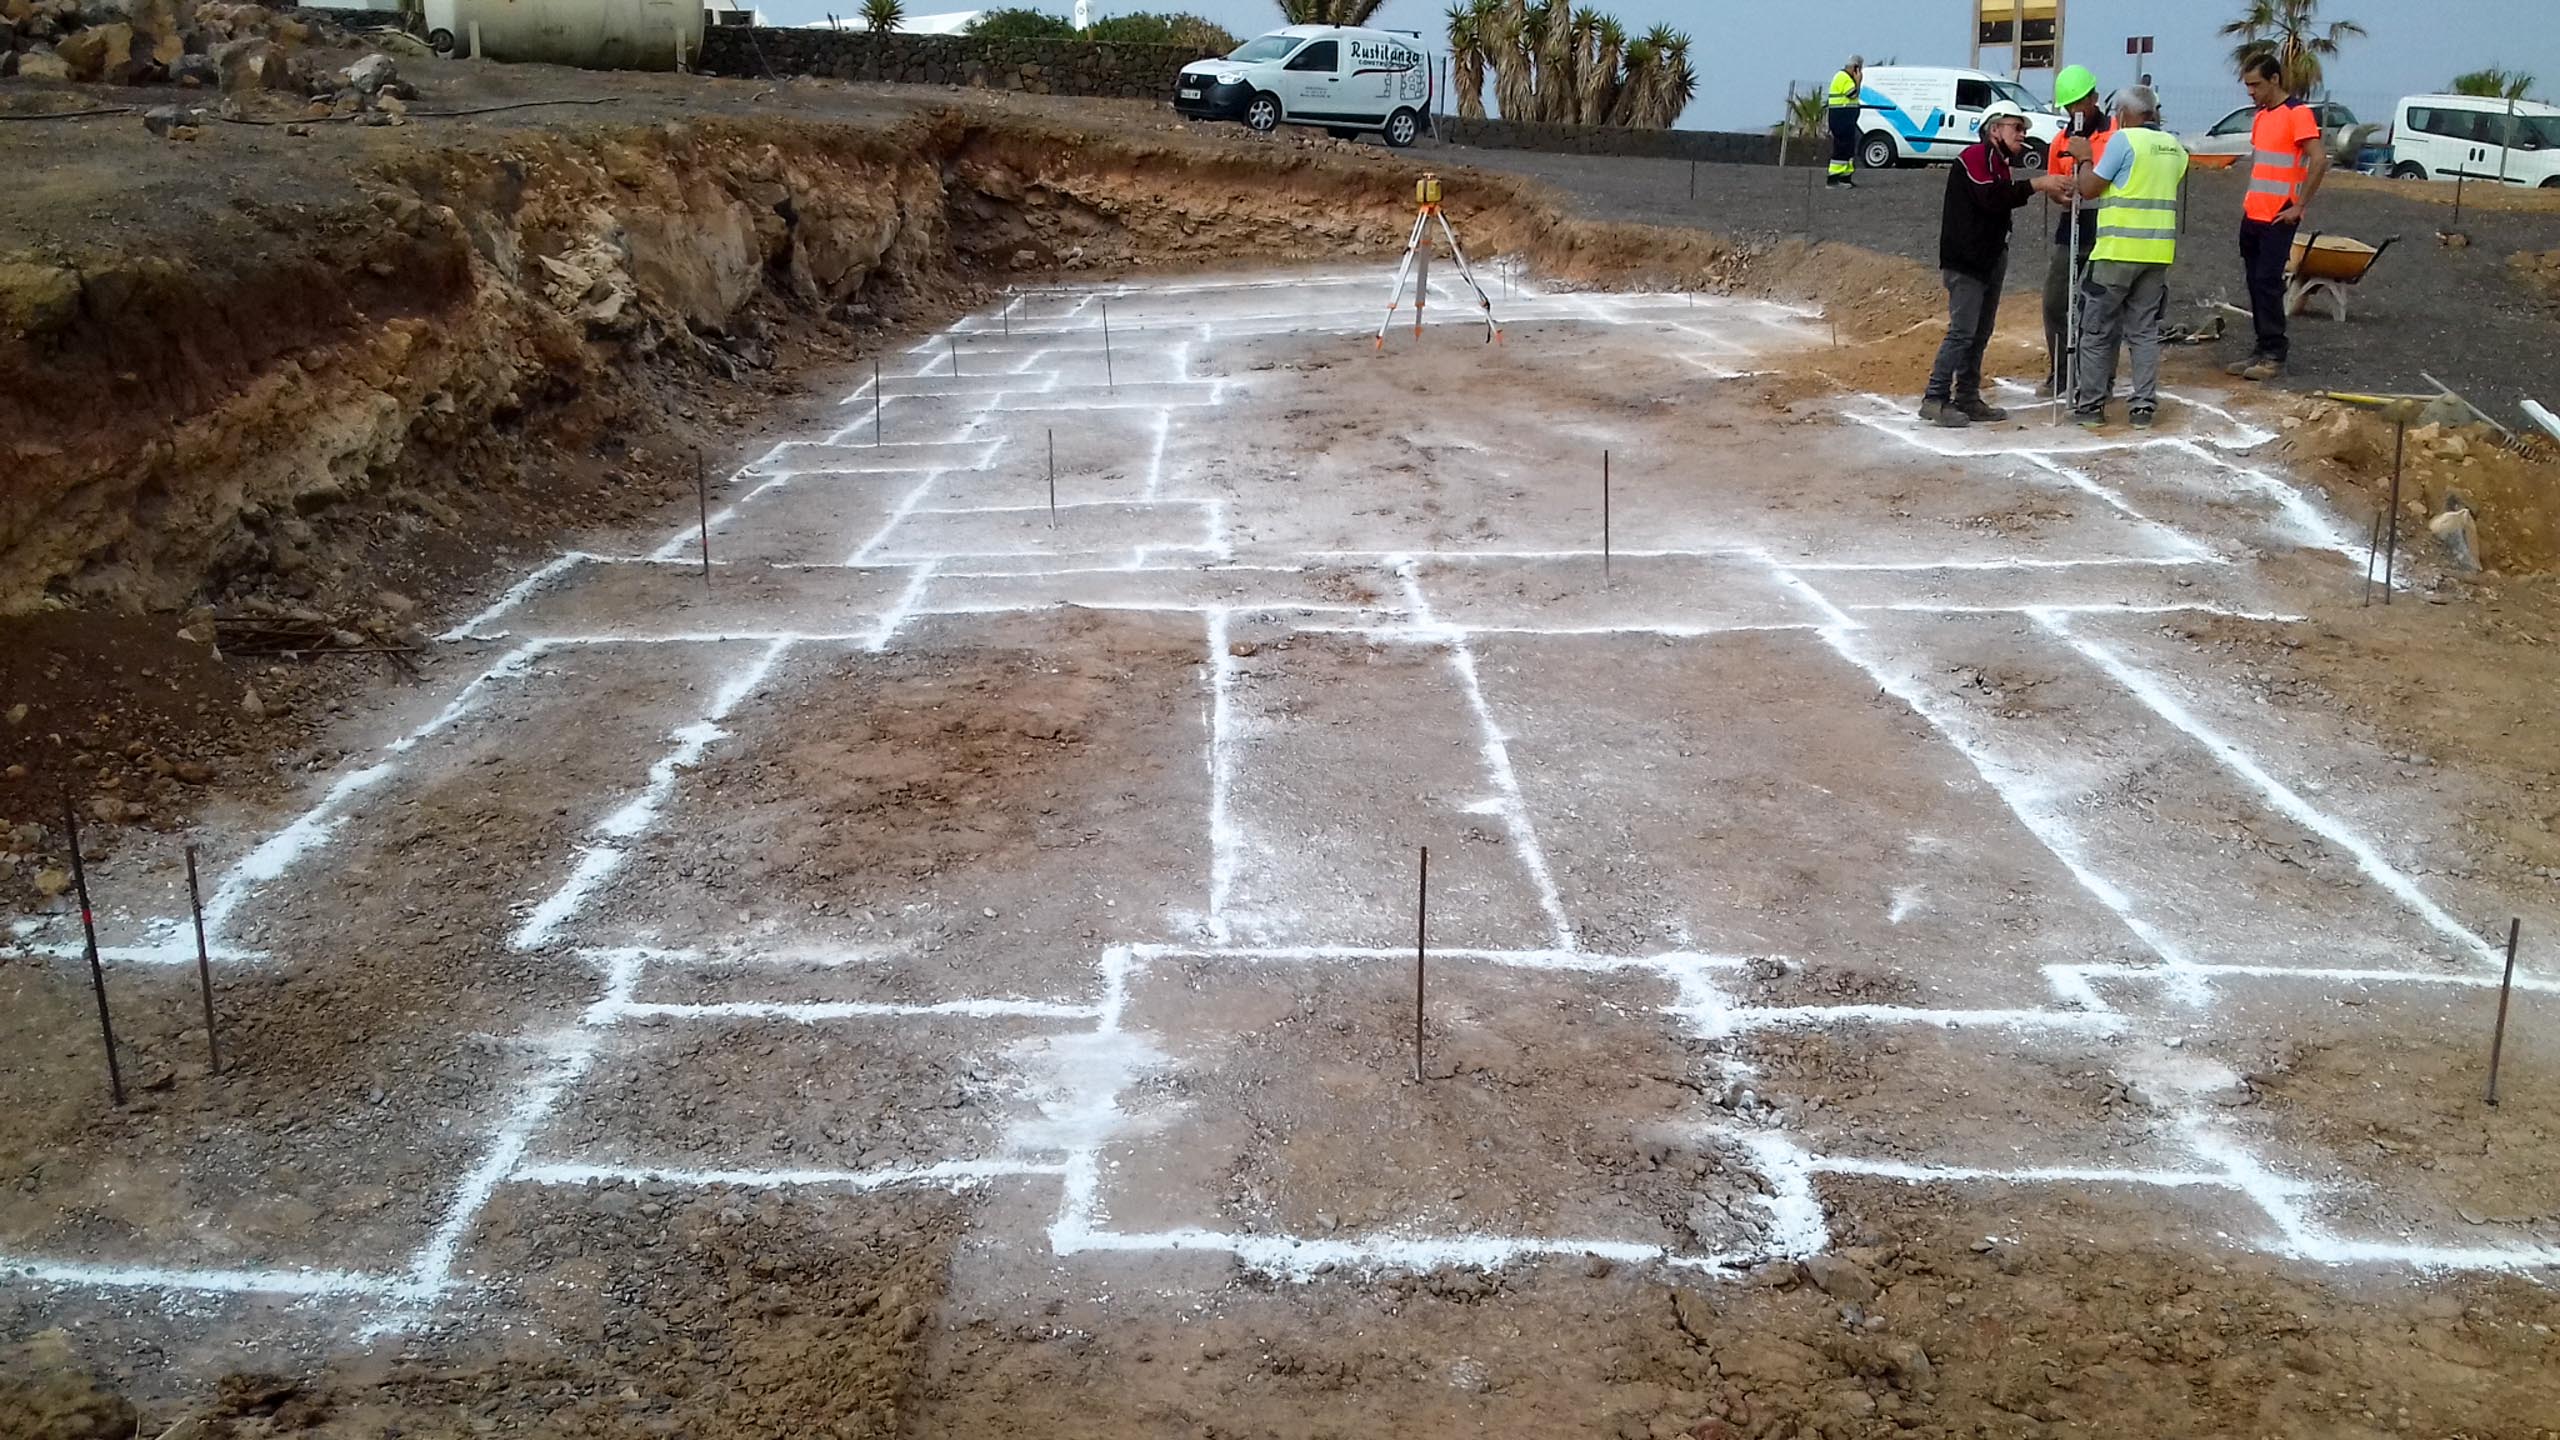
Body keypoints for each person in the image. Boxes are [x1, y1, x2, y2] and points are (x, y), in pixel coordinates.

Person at [1922, 102, 2074, 427]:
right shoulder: (1976, 157)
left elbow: (2000, 196)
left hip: (1988, 259)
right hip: (1967, 261)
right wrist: (2038, 184)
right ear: (1994, 129)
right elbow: (1990, 197)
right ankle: (1935, 397)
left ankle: (1967, 396)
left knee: (1979, 333)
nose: (2022, 134)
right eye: (2016, 127)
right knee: (1963, 332)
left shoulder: (1999, 163)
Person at [2071, 85, 2190, 429]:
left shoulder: (2124, 141)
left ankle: (2091, 406)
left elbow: (2090, 188)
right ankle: (2142, 407)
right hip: (2157, 253)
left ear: (2123, 114)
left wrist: (2084, 158)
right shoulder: (2175, 148)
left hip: (2116, 252)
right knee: (2143, 331)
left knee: (2096, 329)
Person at [2231, 53, 2329, 381]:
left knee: (2268, 283)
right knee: (2254, 282)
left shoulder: (2297, 113)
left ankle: (2274, 353)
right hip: (2254, 214)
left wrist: (2298, 206)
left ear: (2274, 79)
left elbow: (2319, 159)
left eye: (2256, 84)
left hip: (2278, 217)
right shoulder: (2261, 117)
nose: (2251, 91)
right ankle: (2261, 349)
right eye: (2247, 85)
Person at [2043, 64, 2114, 396]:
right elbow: (2052, 182)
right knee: (2055, 301)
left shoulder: (2115, 135)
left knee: (2100, 307)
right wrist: (2059, 193)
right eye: (2069, 106)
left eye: (2079, 103)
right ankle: (2061, 374)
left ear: (2094, 98)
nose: (2075, 111)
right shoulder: (2060, 140)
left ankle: (2099, 380)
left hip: (2107, 229)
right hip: (2071, 226)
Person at [1827, 56, 1865, 188]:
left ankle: (1845, 178)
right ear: (1856, 68)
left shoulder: (1846, 78)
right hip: (1841, 119)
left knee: (1848, 148)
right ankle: (1833, 179)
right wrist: (1858, 81)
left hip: (1846, 119)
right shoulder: (1843, 77)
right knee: (1842, 147)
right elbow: (1852, 94)